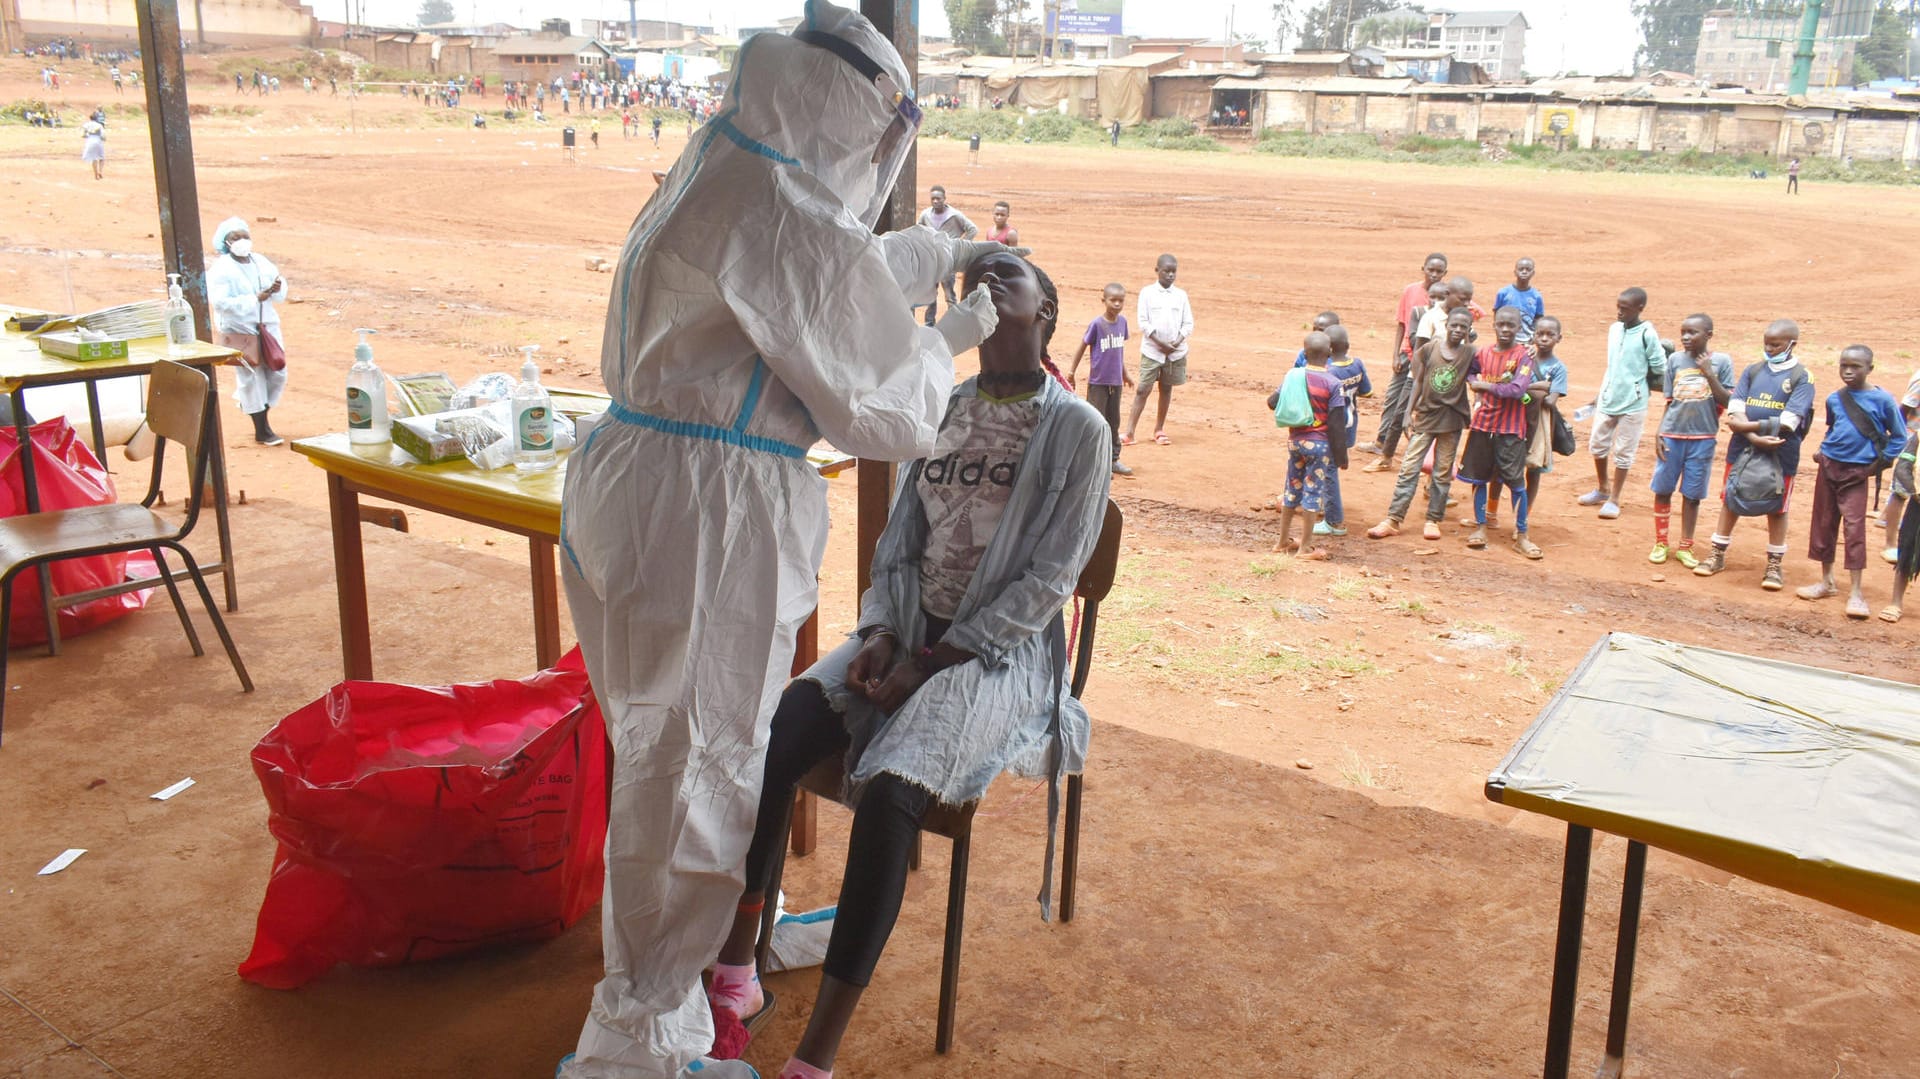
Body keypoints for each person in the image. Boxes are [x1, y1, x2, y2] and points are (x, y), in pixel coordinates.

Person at [555, 7, 1020, 1075]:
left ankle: (653, 1013)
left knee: (660, 757)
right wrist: (953, 334)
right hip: (707, 518)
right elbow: (881, 408)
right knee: (698, 771)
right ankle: (638, 1043)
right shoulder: (774, 202)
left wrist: (945, 250)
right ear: (855, 123)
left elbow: (827, 277)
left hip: (641, 487)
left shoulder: (726, 163)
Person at [704, 250, 1108, 1079]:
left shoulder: (1077, 429)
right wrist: (884, 635)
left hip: (1001, 652)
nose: (993, 275)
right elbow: (900, 547)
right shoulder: (944, 406)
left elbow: (1051, 581)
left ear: (1048, 310)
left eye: (1017, 273)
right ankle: (735, 972)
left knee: (890, 789)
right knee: (781, 729)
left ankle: (814, 1058)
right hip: (909, 632)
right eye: (981, 271)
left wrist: (928, 664)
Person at [1695, 319, 1816, 590]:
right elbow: (1736, 407)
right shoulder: (1753, 371)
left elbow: (1789, 421)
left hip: (1781, 452)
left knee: (1777, 506)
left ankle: (1774, 565)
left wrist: (1744, 427)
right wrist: (1753, 436)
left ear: (1792, 344)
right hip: (1743, 449)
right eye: (1767, 344)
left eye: (1776, 345)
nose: (1770, 349)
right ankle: (1717, 554)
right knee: (1731, 497)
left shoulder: (1802, 377)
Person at [1796, 345, 1907, 620]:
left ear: (1870, 368)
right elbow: (1834, 428)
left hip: (1857, 472)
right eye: (1843, 365)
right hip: (1829, 466)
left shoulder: (1883, 400)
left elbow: (1899, 436)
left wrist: (1875, 466)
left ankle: (1856, 591)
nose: (1848, 371)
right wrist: (1822, 451)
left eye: (1855, 366)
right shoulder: (1835, 399)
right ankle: (1827, 581)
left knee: (1854, 528)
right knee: (1823, 523)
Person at [1367, 307, 1474, 542]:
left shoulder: (1470, 354)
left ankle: (1433, 519)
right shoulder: (1430, 349)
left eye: (1463, 327)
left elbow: (1491, 364)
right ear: (1446, 325)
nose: (1457, 330)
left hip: (1452, 422)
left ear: (1469, 330)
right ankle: (1393, 519)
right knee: (1408, 468)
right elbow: (1418, 381)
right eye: (1454, 325)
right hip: (1425, 418)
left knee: (1442, 473)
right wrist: (1408, 413)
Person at [1455, 308, 1544, 557]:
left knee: (1516, 482)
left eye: (1511, 325)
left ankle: (1522, 535)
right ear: (1494, 325)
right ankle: (1481, 527)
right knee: (1479, 479)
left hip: (1511, 429)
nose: (1505, 329)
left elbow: (1517, 390)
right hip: (1483, 425)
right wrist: (1474, 380)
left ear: (1519, 328)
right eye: (1501, 324)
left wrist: (1482, 386)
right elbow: (1471, 370)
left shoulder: (1524, 355)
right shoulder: (1483, 352)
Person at [1647, 314, 1734, 569]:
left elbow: (1728, 402)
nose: (1685, 337)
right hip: (1672, 435)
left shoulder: (1721, 362)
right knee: (1663, 490)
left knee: (1692, 495)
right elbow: (1670, 402)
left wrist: (1709, 373)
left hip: (1703, 438)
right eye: (1683, 332)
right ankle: (1661, 542)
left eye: (1692, 332)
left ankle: (1686, 545)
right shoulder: (1674, 360)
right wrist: (1658, 433)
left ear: (1708, 335)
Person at [1577, 287, 1664, 520]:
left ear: (1640, 309)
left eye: (1624, 309)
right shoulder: (1614, 330)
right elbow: (1612, 365)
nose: (1619, 312)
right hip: (1608, 397)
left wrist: (1638, 384)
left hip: (1633, 402)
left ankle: (1615, 498)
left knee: (1624, 452)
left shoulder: (1647, 333)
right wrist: (1600, 392)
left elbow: (1659, 366)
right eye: (1618, 307)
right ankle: (1602, 488)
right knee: (1597, 444)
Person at [206, 217, 289, 446]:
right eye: (236, 237)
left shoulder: (260, 261)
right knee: (251, 376)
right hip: (239, 329)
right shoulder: (221, 269)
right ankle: (261, 428)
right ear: (226, 242)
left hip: (267, 326)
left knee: (277, 371)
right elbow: (221, 302)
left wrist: (276, 289)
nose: (242, 241)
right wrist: (254, 299)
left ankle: (256, 408)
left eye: (245, 236)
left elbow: (279, 283)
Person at [1363, 253, 1448, 471]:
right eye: (1431, 269)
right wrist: (1395, 355)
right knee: (1393, 399)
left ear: (1445, 274)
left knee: (1416, 407)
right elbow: (1401, 324)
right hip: (1407, 356)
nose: (1435, 274)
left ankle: (1417, 456)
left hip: (1429, 364)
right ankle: (1382, 442)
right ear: (1423, 269)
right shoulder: (1411, 292)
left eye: (1439, 271)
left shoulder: (1448, 296)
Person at [1267, 332, 1349, 560]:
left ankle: (1282, 542)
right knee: (1313, 493)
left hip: (1295, 442)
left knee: (1291, 489)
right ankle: (1305, 547)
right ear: (1330, 354)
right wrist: (1341, 457)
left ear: (1304, 353)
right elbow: (1336, 424)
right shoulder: (1333, 383)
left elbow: (1272, 402)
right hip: (1320, 446)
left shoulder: (1294, 376)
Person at [1122, 253, 1192, 447]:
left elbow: (1188, 324)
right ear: (1157, 271)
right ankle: (1129, 432)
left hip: (1175, 352)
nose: (1170, 275)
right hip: (1153, 351)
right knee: (1143, 389)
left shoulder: (1181, 296)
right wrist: (1161, 343)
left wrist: (1175, 343)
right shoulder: (1147, 293)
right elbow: (1143, 323)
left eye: (1173, 272)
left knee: (1166, 388)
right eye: (1166, 271)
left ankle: (1159, 430)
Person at [1067, 282, 1134, 475]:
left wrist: (1125, 374)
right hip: (1098, 383)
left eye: (1121, 301)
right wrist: (1071, 372)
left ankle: (1113, 460)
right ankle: (1092, 462)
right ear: (1103, 300)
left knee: (1113, 422)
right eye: (1113, 300)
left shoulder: (1122, 323)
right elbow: (1082, 347)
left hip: (1115, 383)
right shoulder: (1097, 324)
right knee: (1096, 422)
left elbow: (1118, 352)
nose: (1117, 304)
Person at [1315, 325, 1369, 537]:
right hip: (1350, 427)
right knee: (1330, 469)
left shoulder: (1329, 373)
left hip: (1332, 429)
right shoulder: (1357, 364)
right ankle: (1322, 505)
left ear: (1327, 350)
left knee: (1329, 472)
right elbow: (1367, 391)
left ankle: (1333, 521)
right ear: (1347, 346)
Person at [916, 185, 978, 326]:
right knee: (930, 294)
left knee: (950, 295)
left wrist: (960, 245)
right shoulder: (926, 215)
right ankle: (929, 323)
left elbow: (972, 229)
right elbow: (918, 229)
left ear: (945, 199)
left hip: (948, 262)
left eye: (938, 198)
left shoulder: (954, 215)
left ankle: (953, 323)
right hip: (932, 261)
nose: (936, 201)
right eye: (933, 198)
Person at [1494, 257, 1545, 344]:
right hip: (1506, 336)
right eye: (1521, 269)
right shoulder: (1503, 293)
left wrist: (1535, 335)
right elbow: (1496, 313)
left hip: (1526, 338)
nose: (1524, 272)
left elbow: (1538, 318)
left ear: (1533, 273)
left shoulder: (1536, 296)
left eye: (1528, 269)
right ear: (1515, 272)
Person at [80, 113, 106, 180]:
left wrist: (88, 135)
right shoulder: (99, 125)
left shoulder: (86, 125)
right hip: (98, 141)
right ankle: (100, 171)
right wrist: (104, 139)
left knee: (94, 158)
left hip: (90, 141)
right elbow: (103, 136)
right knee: (101, 158)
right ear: (96, 118)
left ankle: (95, 175)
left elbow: (83, 135)